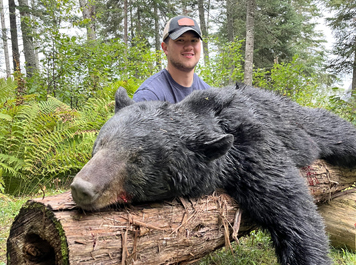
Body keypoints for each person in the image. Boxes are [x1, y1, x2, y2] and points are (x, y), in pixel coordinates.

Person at [133, 15, 210, 103]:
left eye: (194, 40)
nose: (189, 47)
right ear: (165, 48)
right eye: (180, 40)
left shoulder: (209, 95)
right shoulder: (148, 97)